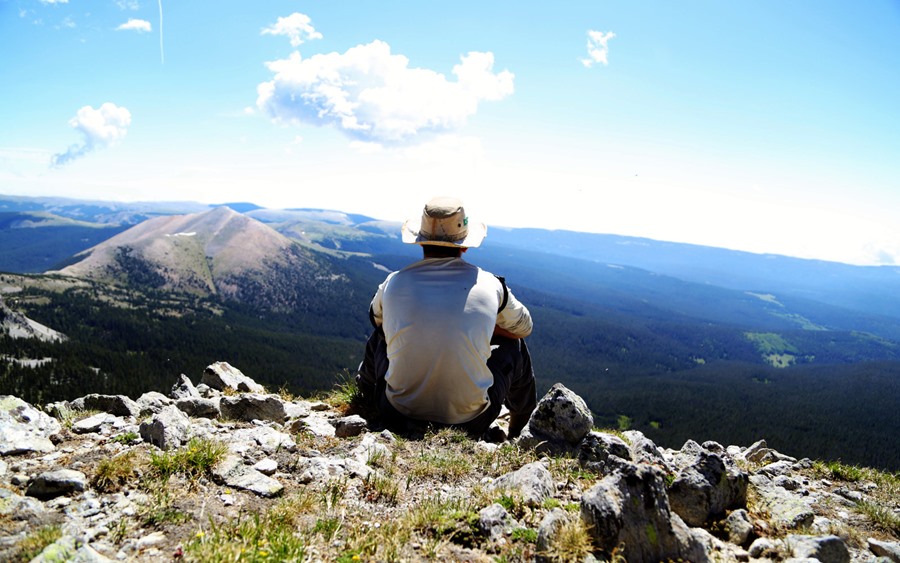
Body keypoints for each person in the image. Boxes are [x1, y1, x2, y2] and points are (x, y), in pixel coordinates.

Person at [356, 196, 537, 440]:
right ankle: (520, 428)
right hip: (472, 422)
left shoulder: (393, 282)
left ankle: (365, 398)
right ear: (464, 245)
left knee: (381, 334)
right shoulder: (491, 285)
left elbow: (376, 320)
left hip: (395, 413)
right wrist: (483, 325)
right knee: (515, 345)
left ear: (421, 242)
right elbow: (524, 327)